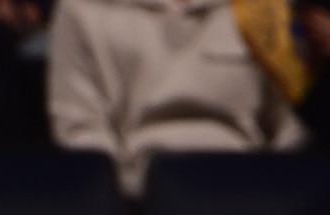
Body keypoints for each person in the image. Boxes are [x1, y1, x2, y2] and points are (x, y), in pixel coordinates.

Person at [50, 0, 302, 183]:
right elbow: (81, 128)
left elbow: (289, 125)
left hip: (245, 188)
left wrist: (264, 188)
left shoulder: (267, 8)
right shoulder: (82, 8)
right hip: (133, 191)